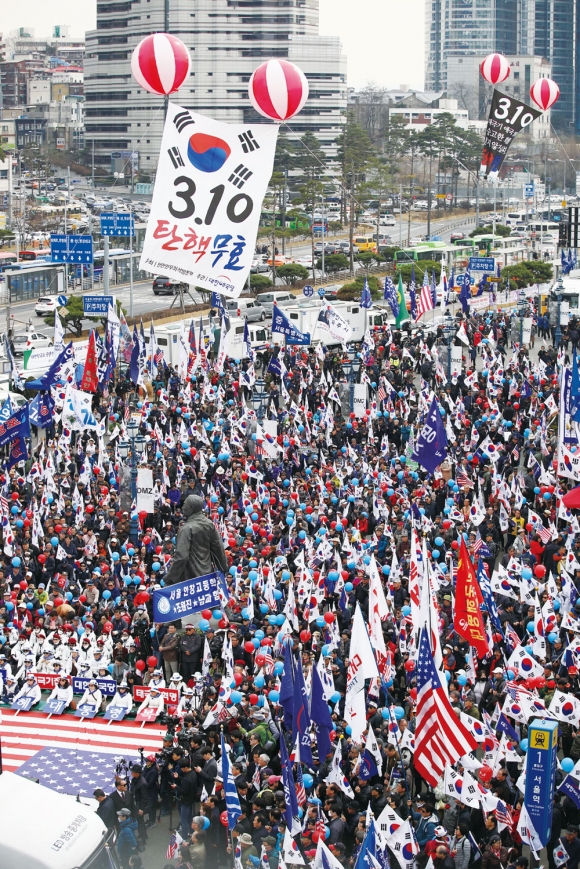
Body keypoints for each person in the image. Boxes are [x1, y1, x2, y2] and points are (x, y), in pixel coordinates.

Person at [164, 495, 228, 585]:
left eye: (184, 504)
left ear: (191, 507)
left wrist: (170, 577)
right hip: (207, 578)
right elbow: (219, 550)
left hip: (190, 580)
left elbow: (182, 557)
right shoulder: (209, 524)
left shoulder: (186, 529)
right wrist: (224, 569)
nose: (182, 507)